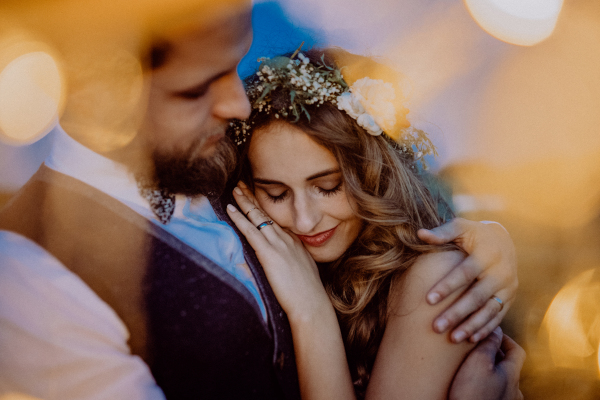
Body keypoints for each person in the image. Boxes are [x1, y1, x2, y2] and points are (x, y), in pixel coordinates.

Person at [0, 1, 520, 399]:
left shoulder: (218, 149)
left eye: (236, 66)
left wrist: (490, 240)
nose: (237, 104)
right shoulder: (30, 276)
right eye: (196, 89)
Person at [224, 47, 524, 399]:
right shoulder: (268, 255)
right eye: (276, 194)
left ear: (375, 175)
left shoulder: (437, 281)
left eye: (328, 187)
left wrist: (312, 312)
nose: (304, 220)